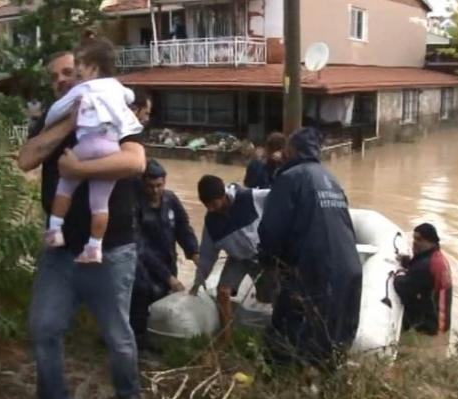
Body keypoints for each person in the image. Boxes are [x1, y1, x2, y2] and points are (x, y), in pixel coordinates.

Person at [17, 50, 146, 399]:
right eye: (54, 77)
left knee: (118, 337)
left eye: (68, 73)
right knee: (43, 328)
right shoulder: (53, 116)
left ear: (86, 72)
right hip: (59, 251)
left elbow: (135, 162)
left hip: (113, 248)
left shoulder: (111, 105)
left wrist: (79, 168)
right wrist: (67, 121)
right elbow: (26, 159)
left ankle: (129, 395)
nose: (61, 80)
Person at [258, 127, 362, 367]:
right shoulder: (332, 179)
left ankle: (280, 386)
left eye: (286, 148)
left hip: (313, 271)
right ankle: (323, 392)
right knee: (331, 345)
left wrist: (267, 265)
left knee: (286, 336)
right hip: (349, 271)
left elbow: (271, 230)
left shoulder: (290, 178)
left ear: (291, 150)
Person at [43, 36, 143, 264]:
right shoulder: (118, 88)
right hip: (110, 146)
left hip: (88, 144)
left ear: (93, 67)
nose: (76, 75)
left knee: (65, 185)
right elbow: (131, 96)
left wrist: (76, 168)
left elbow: (58, 108)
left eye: (77, 69)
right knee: (100, 205)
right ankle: (94, 247)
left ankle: (55, 230)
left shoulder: (84, 89)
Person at [190, 175, 270, 338]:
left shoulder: (250, 198)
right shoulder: (211, 223)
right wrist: (197, 283)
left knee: (268, 298)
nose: (211, 209)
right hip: (238, 259)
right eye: (207, 206)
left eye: (213, 204)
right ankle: (227, 336)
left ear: (223, 196)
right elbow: (207, 256)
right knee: (223, 292)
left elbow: (280, 197)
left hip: (263, 255)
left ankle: (270, 334)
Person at [131, 159, 199, 344]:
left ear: (165, 183)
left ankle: (159, 339)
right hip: (143, 266)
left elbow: (184, 228)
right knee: (143, 297)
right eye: (150, 186)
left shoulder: (170, 199)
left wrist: (194, 253)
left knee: (164, 303)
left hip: (167, 259)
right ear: (143, 185)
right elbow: (140, 247)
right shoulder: (134, 205)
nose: (155, 191)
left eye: (159, 185)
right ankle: (137, 340)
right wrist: (168, 277)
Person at [394, 223, 453, 336]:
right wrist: (406, 262)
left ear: (431, 242)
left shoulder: (425, 266)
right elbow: (419, 269)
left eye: (419, 239)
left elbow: (403, 287)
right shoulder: (437, 257)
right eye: (414, 238)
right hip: (443, 323)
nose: (415, 242)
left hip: (432, 327)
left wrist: (398, 273)